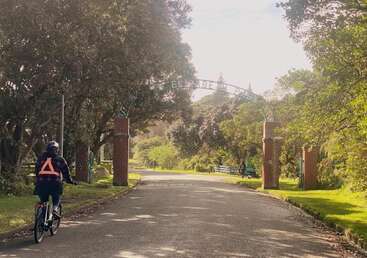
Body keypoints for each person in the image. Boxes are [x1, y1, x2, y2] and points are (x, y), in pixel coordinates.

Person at [35, 141, 77, 218]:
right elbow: (66, 172)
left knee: (43, 201)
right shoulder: (60, 159)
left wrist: (38, 179)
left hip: (41, 183)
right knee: (57, 196)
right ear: (57, 150)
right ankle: (55, 209)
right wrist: (70, 181)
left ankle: (40, 221)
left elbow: (37, 169)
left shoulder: (40, 158)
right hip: (55, 183)